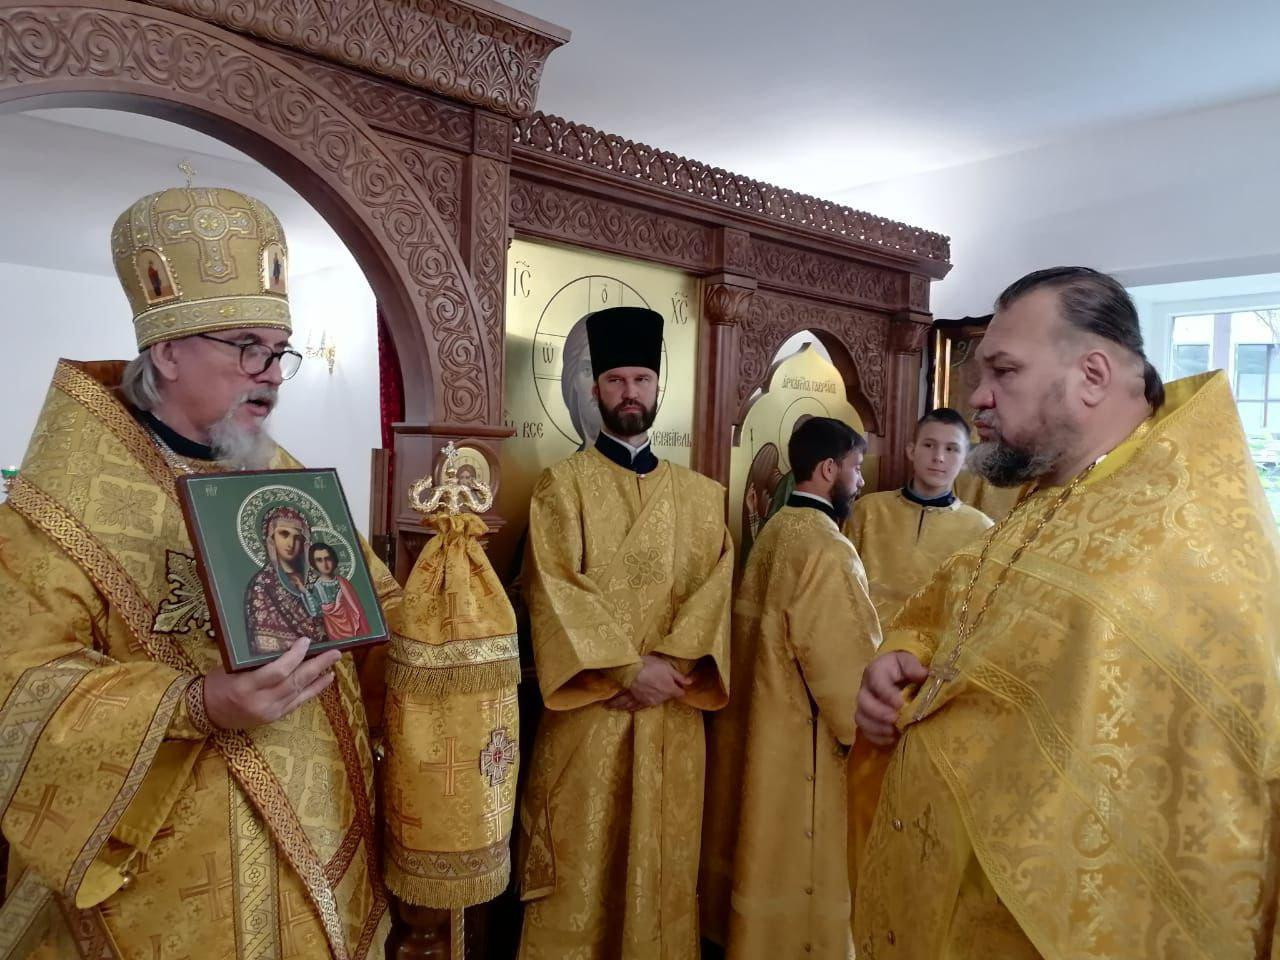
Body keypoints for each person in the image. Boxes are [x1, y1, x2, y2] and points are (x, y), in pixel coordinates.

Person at [0, 184, 411, 959]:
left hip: (321, 839)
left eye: (280, 350)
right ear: (167, 351)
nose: (273, 372)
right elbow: (20, 693)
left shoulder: (280, 476)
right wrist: (198, 702)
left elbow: (374, 613)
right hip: (162, 879)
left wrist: (451, 612)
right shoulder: (56, 509)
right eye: (248, 346)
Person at [852, 267, 1280, 959]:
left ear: (1092, 374)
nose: (977, 397)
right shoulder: (1063, 492)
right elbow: (964, 609)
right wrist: (902, 655)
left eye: (1003, 371)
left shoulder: (1179, 535)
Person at [517, 305, 733, 960]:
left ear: (659, 387)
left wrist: (672, 665)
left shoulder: (704, 497)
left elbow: (717, 591)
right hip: (593, 712)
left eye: (641, 379)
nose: (629, 392)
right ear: (595, 390)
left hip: (672, 714)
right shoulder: (562, 487)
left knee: (664, 869)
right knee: (583, 868)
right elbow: (552, 586)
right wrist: (628, 670)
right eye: (616, 381)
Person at [701, 417, 880, 959]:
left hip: (760, 730)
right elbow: (844, 667)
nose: (860, 481)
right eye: (856, 468)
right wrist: (869, 732)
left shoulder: (775, 530)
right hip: (804, 747)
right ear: (828, 469)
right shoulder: (828, 548)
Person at [843, 407, 993, 626]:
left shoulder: (981, 529)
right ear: (911, 451)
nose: (938, 457)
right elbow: (841, 583)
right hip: (864, 637)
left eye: (951, 449)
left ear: (965, 460)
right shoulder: (867, 510)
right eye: (929, 445)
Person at [245, 505, 327, 653]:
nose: (291, 543)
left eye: (297, 537)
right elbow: (264, 643)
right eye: (284, 534)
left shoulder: (316, 581)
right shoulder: (262, 584)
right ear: (271, 538)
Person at [308, 541, 372, 641]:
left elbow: (357, 609)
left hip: (352, 628)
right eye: (319, 560)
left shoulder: (343, 583)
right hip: (331, 632)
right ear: (314, 563)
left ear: (333, 559)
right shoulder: (316, 588)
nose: (325, 564)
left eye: (327, 558)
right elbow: (316, 614)